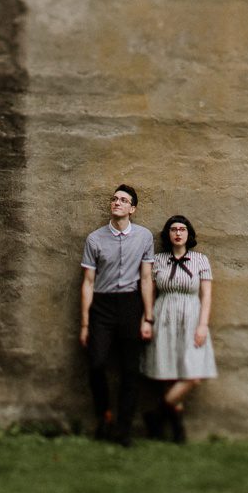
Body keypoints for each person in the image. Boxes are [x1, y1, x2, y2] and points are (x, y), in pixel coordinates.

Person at [79, 183, 156, 445]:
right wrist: (85, 324)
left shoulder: (144, 237)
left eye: (123, 200)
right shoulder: (94, 239)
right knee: (96, 363)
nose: (117, 202)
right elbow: (88, 282)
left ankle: (123, 430)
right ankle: (105, 416)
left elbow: (146, 278)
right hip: (102, 305)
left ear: (132, 209)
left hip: (131, 305)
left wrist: (148, 317)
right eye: (114, 199)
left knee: (130, 370)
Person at [140, 213, 215, 443]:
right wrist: (147, 318)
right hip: (164, 315)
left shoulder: (201, 260)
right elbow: (149, 293)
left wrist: (203, 324)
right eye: (173, 230)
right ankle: (177, 431)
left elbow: (207, 295)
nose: (178, 233)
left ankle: (156, 415)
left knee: (192, 376)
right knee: (169, 373)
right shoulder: (158, 260)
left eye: (182, 229)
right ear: (168, 234)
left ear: (189, 234)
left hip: (191, 316)